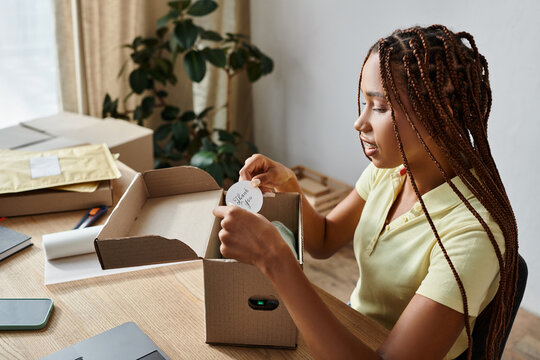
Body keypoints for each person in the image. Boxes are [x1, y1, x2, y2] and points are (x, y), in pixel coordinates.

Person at [213, 25, 518, 360]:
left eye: (381, 107)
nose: (360, 123)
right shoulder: (390, 172)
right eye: (364, 102)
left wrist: (274, 260)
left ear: (440, 115)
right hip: (349, 330)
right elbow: (325, 240)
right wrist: (290, 185)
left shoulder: (473, 234)